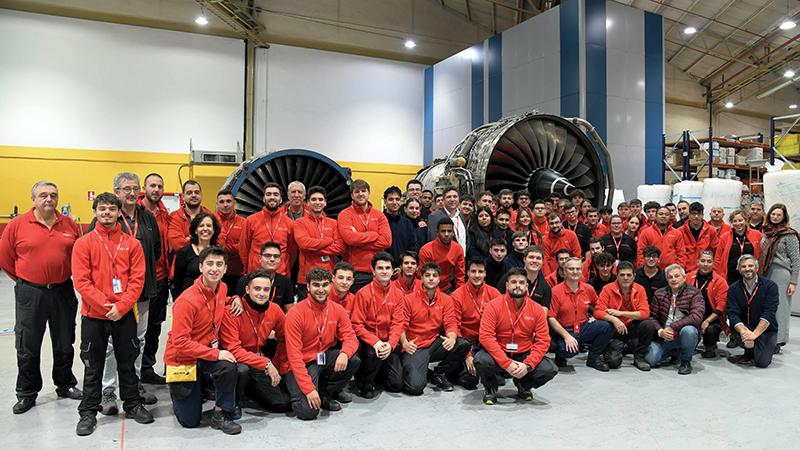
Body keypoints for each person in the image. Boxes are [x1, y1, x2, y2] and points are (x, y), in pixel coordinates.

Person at [71, 193, 152, 436]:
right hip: (94, 315)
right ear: (95, 211)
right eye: (102, 209)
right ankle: (88, 412)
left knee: (127, 362)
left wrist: (122, 307)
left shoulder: (132, 244)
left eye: (111, 209)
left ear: (119, 212)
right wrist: (107, 307)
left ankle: (132, 404)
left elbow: (138, 281)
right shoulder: (83, 244)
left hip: (124, 314)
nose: (107, 213)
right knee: (93, 365)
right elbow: (82, 282)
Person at [1, 181, 83, 414]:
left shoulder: (68, 224)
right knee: (27, 344)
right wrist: (26, 281)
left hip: (62, 291)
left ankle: (65, 384)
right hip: (31, 293)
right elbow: (6, 258)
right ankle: (27, 392)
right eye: (43, 195)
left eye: (53, 195)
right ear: (33, 199)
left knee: (64, 341)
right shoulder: (17, 225)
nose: (49, 199)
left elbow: (77, 256)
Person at [89, 173, 161, 413]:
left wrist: (136, 285)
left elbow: (156, 251)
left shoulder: (148, 218)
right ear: (116, 192)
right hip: (109, 299)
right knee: (109, 345)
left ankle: (134, 385)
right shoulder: (103, 220)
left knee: (136, 342)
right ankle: (108, 390)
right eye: (126, 189)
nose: (131, 193)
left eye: (135, 188)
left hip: (140, 295)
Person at [163, 246, 240, 434]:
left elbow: (222, 300)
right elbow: (180, 342)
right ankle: (183, 393)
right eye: (210, 264)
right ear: (200, 267)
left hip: (205, 356)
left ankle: (220, 413)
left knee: (228, 366)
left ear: (225, 269)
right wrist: (216, 353)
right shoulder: (186, 301)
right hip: (182, 359)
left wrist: (235, 298)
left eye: (219, 264)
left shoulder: (222, 288)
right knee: (190, 421)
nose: (214, 269)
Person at [284, 268, 361, 419]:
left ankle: (324, 393)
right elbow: (294, 357)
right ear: (307, 287)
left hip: (320, 358)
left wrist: (345, 353)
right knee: (308, 412)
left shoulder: (337, 309)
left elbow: (351, 337)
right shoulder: (295, 313)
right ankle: (301, 392)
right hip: (299, 364)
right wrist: (308, 390)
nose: (321, 290)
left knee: (353, 360)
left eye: (325, 285)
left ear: (331, 285)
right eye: (316, 285)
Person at [474, 267, 557, 405]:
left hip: (523, 353)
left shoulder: (536, 309)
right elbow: (486, 337)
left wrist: (528, 365)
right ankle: (490, 387)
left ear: (526, 286)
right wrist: (506, 363)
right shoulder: (493, 306)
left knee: (549, 369)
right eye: (513, 282)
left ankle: (523, 384)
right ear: (507, 285)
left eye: (521, 282)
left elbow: (543, 341)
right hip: (499, 353)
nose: (517, 285)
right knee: (481, 360)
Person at [220, 270, 291, 415]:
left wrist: (278, 362)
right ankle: (234, 400)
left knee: (282, 403)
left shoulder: (275, 309)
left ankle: (249, 389)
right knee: (242, 370)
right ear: (247, 289)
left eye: (266, 289)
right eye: (257, 289)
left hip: (258, 360)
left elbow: (285, 338)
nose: (262, 293)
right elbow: (233, 350)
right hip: (235, 362)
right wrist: (266, 363)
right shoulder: (233, 311)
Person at [396, 262, 469, 395]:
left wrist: (452, 338)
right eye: (427, 275)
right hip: (415, 346)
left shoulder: (446, 300)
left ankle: (440, 372)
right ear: (421, 278)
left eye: (434, 275)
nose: (431, 278)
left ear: (439, 279)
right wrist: (405, 343)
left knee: (462, 344)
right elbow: (400, 326)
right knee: (415, 388)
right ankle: (423, 371)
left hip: (435, 343)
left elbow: (451, 322)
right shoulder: (408, 299)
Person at [349, 252, 405, 398]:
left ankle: (378, 372)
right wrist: (376, 342)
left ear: (393, 271)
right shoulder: (363, 293)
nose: (384, 271)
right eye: (380, 268)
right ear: (373, 271)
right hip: (369, 343)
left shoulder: (398, 294)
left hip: (388, 343)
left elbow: (398, 323)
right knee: (371, 353)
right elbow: (356, 324)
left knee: (396, 385)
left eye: (388, 268)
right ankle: (365, 381)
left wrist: (391, 344)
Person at [548, 258, 614, 371]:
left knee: (607, 326)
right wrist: (567, 336)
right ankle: (561, 355)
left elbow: (599, 307)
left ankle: (593, 358)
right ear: (564, 272)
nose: (575, 271)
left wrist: (594, 315)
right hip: (565, 330)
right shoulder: (555, 291)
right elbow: (551, 318)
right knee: (569, 351)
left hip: (584, 326)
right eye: (571, 269)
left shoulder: (588, 289)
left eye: (578, 269)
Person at [138, 173, 171, 385]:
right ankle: (131, 371)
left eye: (159, 186)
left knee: (154, 327)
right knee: (135, 329)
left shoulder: (164, 214)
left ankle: (147, 367)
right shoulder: (136, 213)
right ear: (145, 187)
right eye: (152, 185)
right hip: (139, 281)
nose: (156, 189)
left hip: (160, 279)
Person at [450, 258, 501, 390]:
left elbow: (501, 324)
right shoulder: (457, 295)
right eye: (473, 271)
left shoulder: (494, 293)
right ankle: (452, 371)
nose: (477, 275)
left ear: (485, 274)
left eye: (480, 272)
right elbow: (454, 326)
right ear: (467, 273)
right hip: (466, 342)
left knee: (500, 378)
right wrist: (467, 355)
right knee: (470, 381)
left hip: (486, 340)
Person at [594, 261, 654, 371]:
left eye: (628, 275)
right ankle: (622, 348)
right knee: (613, 362)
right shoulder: (607, 289)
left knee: (648, 324)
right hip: (616, 330)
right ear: (617, 275)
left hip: (632, 327)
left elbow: (645, 313)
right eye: (622, 275)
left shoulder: (640, 289)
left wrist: (620, 313)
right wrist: (614, 319)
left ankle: (639, 357)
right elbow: (598, 312)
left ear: (634, 276)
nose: (625, 278)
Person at [645, 264, 704, 375]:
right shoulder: (659, 293)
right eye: (670, 277)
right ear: (667, 279)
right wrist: (660, 331)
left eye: (677, 276)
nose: (674, 279)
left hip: (682, 334)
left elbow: (696, 317)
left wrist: (673, 326)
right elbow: (652, 316)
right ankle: (674, 352)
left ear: (684, 277)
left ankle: (686, 361)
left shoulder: (695, 293)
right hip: (664, 336)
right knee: (651, 360)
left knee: (689, 331)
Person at [337, 179, 392, 292]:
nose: (361, 194)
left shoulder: (379, 215)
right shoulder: (344, 214)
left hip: (377, 272)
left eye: (363, 191)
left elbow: (386, 241)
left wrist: (358, 238)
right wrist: (374, 235)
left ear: (369, 193)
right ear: (352, 195)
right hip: (355, 273)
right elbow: (349, 239)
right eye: (357, 191)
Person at [758, 203, 799, 353]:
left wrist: (793, 281)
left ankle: (779, 340)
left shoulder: (789, 234)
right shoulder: (766, 232)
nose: (775, 217)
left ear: (784, 217)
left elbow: (796, 259)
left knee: (781, 308)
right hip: (765, 273)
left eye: (778, 215)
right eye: (773, 214)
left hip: (781, 273)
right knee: (767, 307)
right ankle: (767, 336)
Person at [727, 255, 780, 368]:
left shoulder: (770, 286)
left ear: (756, 268)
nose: (747, 269)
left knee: (762, 363)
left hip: (766, 330)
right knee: (737, 331)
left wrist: (754, 335)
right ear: (739, 269)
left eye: (750, 265)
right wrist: (744, 333)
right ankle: (749, 351)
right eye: (743, 266)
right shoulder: (733, 288)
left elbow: (769, 313)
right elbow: (732, 313)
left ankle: (759, 347)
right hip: (745, 328)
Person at [293, 186, 345, 300]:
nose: (317, 202)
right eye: (314, 199)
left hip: (328, 276)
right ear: (307, 202)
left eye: (320, 200)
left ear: (325, 202)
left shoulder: (333, 223)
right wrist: (328, 241)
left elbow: (340, 247)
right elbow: (304, 244)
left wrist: (313, 248)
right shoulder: (299, 223)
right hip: (306, 277)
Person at [239, 183, 296, 277]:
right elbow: (243, 248)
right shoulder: (250, 220)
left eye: (276, 194)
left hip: (281, 274)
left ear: (281, 199)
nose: (272, 197)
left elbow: (292, 252)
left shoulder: (290, 223)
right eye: (268, 194)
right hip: (256, 273)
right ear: (264, 198)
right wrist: (248, 267)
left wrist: (285, 267)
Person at [686, 251, 729, 358]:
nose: (705, 264)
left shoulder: (720, 281)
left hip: (712, 317)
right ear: (697, 262)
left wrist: (707, 321)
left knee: (710, 330)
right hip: (691, 315)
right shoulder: (687, 277)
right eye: (703, 261)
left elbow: (721, 306)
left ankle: (711, 345)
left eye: (709, 261)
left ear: (714, 263)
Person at [237, 242, 295, 313]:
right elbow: (239, 305)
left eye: (276, 256)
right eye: (268, 255)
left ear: (280, 260)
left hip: (275, 321)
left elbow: (290, 311)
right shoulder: (245, 280)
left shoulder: (285, 281)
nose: (272, 259)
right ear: (260, 258)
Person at [172, 212, 221, 297]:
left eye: (209, 226)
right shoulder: (184, 252)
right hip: (188, 300)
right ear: (195, 230)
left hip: (211, 299)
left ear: (213, 230)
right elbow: (177, 282)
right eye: (201, 226)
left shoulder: (219, 253)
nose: (205, 229)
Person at [496, 246, 552, 312]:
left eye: (538, 258)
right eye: (531, 257)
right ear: (524, 259)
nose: (534, 261)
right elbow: (497, 304)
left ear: (542, 262)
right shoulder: (509, 278)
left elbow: (543, 315)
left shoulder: (546, 287)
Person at [418, 217, 465, 293]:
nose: (446, 234)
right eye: (443, 231)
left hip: (448, 288)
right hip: (428, 289)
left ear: (453, 233)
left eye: (449, 231)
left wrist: (460, 295)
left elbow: (460, 275)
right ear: (437, 232)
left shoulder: (458, 248)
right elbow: (422, 276)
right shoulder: (426, 250)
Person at [715, 209, 762, 285]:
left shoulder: (757, 235)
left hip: (751, 275)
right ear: (731, 223)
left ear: (746, 220)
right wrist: (717, 277)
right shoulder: (725, 237)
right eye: (735, 221)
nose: (738, 223)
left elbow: (762, 254)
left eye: (740, 220)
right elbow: (718, 258)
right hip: (731, 276)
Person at [167, 179, 214, 253]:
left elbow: (220, 240)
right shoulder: (174, 217)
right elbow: (177, 244)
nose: (193, 195)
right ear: (183, 196)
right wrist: (204, 241)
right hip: (183, 263)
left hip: (208, 261)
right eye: (189, 193)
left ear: (201, 195)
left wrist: (189, 238)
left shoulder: (212, 216)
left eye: (197, 192)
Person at [216, 189, 247, 295]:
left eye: (228, 201)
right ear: (217, 204)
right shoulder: (212, 221)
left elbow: (243, 247)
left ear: (234, 203)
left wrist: (223, 248)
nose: (225, 205)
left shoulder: (244, 223)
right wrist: (233, 248)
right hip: (216, 273)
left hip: (237, 273)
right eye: (222, 202)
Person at [427, 186, 468, 255]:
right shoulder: (434, 217)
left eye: (455, 197)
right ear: (443, 200)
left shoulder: (461, 215)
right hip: (445, 258)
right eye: (449, 197)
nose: (452, 199)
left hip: (462, 258)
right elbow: (433, 241)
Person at [383, 186, 419, 265]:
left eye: (397, 199)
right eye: (391, 199)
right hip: (384, 267)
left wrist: (403, 265)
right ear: (385, 201)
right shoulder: (379, 220)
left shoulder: (407, 223)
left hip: (403, 268)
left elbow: (413, 246)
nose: (394, 202)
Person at [680, 202, 719, 273]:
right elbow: (679, 254)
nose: (696, 216)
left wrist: (714, 270)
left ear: (703, 215)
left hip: (705, 270)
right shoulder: (680, 231)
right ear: (689, 215)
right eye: (693, 214)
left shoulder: (711, 231)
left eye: (699, 214)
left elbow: (715, 252)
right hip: (685, 270)